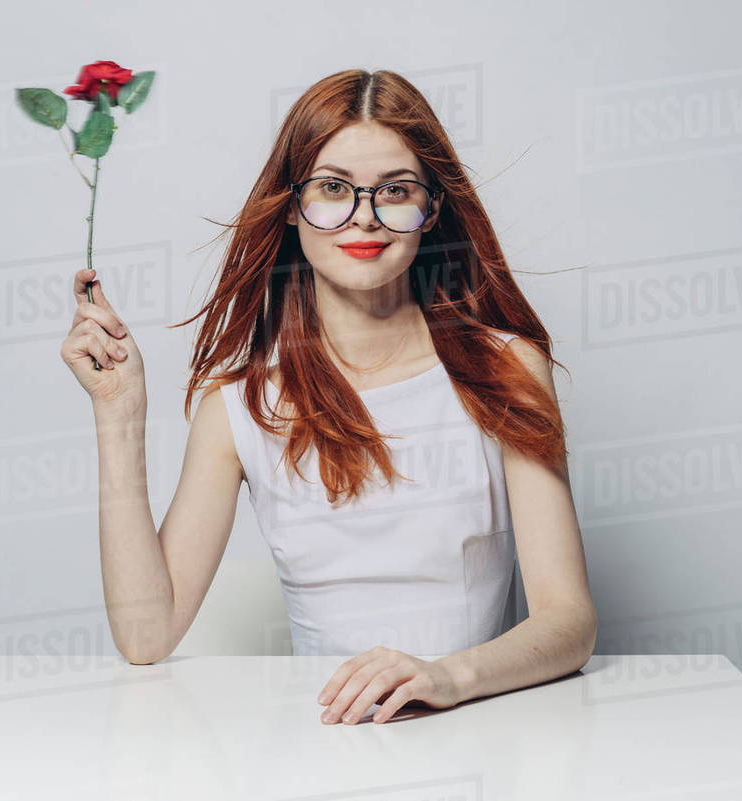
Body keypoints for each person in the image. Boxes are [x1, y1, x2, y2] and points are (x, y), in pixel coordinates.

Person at [60, 69, 596, 726]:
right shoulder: (240, 407)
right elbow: (147, 636)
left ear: (432, 209)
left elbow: (569, 622)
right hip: (320, 748)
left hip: (477, 740)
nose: (364, 216)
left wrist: (447, 677)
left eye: (395, 190)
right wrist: (119, 415)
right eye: (333, 188)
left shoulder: (506, 368)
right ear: (292, 205)